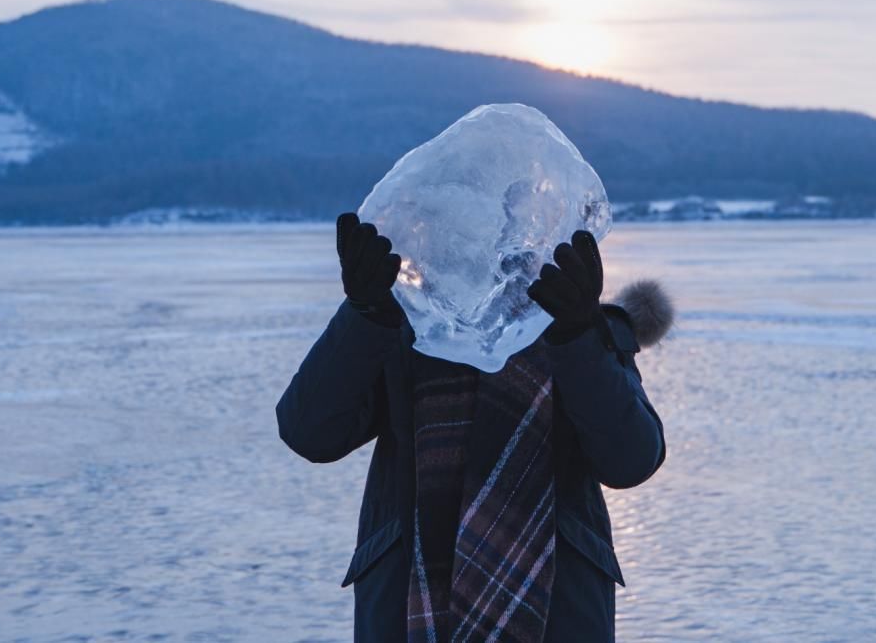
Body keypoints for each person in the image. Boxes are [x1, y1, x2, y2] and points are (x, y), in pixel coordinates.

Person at [277, 213, 673, 643]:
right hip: (411, 606)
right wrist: (364, 313)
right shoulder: (406, 320)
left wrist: (578, 336)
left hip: (555, 613)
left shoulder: (577, 324)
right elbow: (309, 430)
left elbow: (632, 460)